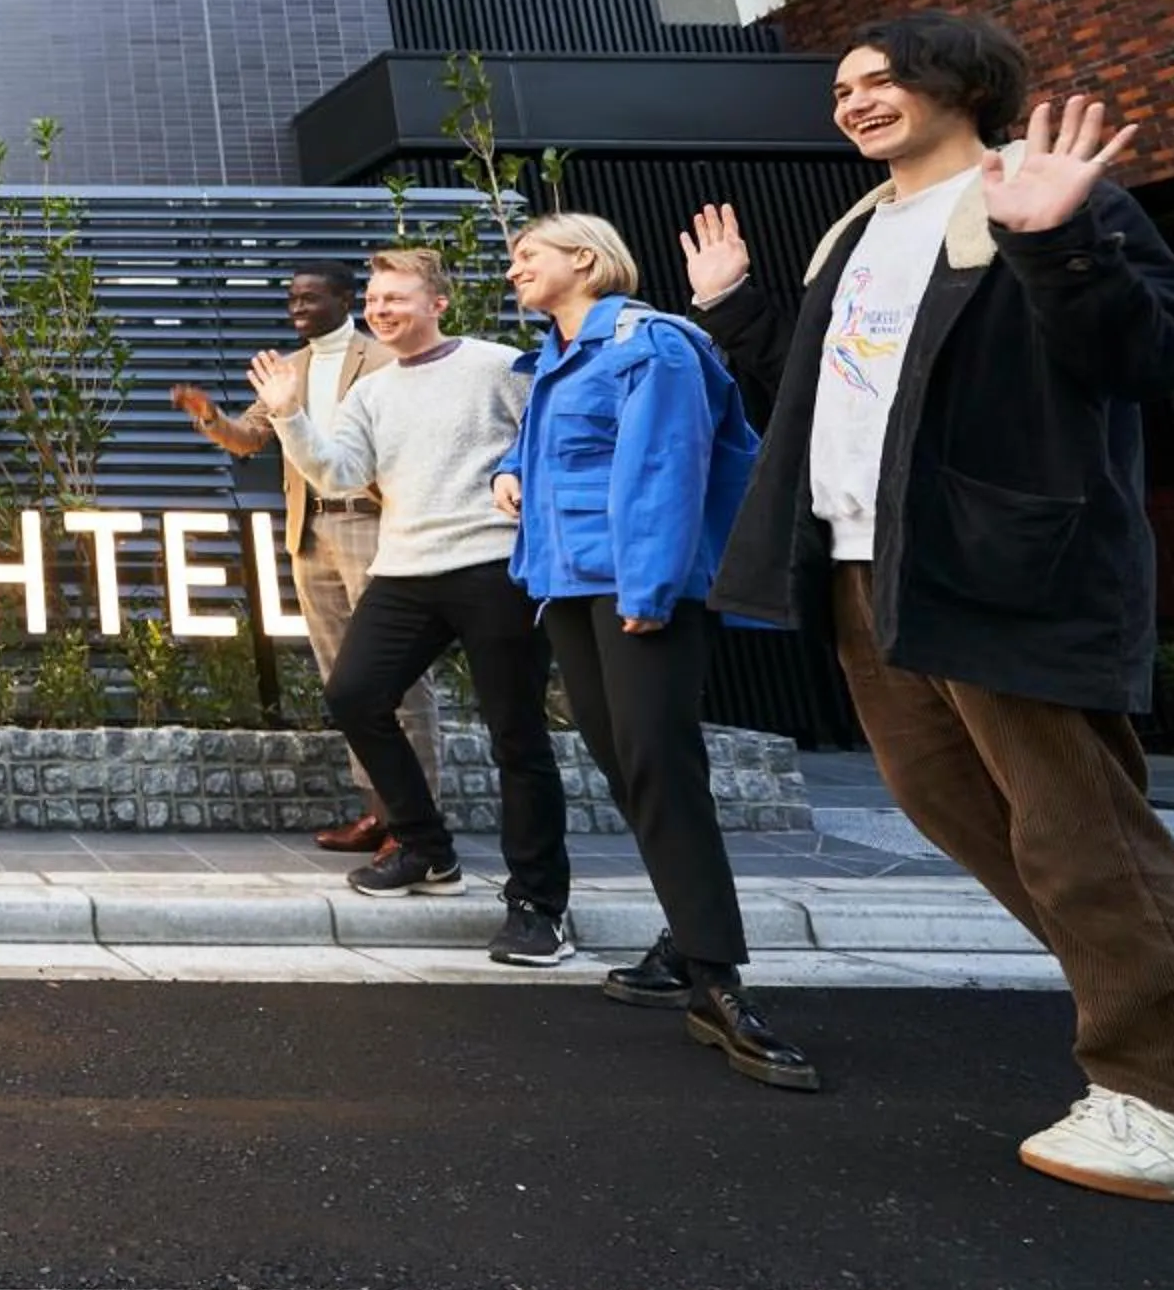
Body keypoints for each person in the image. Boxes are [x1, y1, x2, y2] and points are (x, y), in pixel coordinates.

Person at [693, 11, 1174, 1198]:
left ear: (960, 82)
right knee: (949, 803)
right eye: (841, 89)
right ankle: (1169, 1019)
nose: (856, 100)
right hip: (867, 565)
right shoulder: (856, 231)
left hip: (997, 558)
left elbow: (1161, 354)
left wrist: (1058, 241)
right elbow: (823, 393)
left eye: (881, 78)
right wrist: (735, 308)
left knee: (1077, 826)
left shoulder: (1034, 191)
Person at [492, 213, 814, 1091]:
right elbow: (549, 451)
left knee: (661, 770)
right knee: (630, 768)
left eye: (529, 255)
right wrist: (506, 473)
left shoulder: (651, 343)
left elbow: (666, 466)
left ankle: (718, 985)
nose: (514, 267)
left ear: (585, 260)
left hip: (635, 588)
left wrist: (650, 586)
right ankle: (686, 938)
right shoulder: (559, 357)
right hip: (568, 584)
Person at [254, 248, 572, 967]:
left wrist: (520, 486)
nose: (380, 309)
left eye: (396, 298)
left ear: (439, 304)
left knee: (516, 737)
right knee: (355, 694)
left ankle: (539, 907)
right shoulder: (374, 392)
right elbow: (341, 471)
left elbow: (549, 442)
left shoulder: (499, 366)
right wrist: (290, 417)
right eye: (374, 300)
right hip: (405, 567)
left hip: (494, 567)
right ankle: (426, 850)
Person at [174, 259, 436, 852]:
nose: (297, 309)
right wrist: (209, 417)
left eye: (310, 298)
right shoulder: (287, 368)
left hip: (375, 528)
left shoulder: (384, 359)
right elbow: (249, 438)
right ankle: (377, 812)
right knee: (345, 682)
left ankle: (418, 823)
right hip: (311, 535)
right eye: (292, 299)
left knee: (403, 682)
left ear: (346, 300)